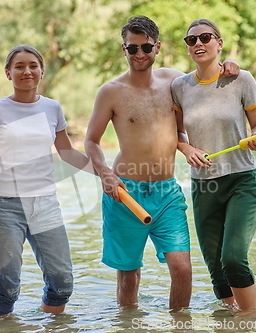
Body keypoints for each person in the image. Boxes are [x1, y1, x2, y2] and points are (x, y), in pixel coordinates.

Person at [84, 15, 240, 311]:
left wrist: (229, 65)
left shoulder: (175, 82)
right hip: (125, 193)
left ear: (157, 47)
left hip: (167, 192)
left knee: (182, 269)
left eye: (146, 47)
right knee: (129, 277)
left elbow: (206, 81)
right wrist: (104, 173)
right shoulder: (110, 91)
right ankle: (128, 327)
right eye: (132, 48)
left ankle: (180, 327)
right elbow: (91, 140)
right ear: (124, 49)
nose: (139, 54)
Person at [0, 45, 92, 316]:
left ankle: (51, 324)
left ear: (41, 72)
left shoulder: (52, 107)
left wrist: (108, 172)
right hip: (5, 205)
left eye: (33, 65)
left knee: (62, 282)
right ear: (8, 73)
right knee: (8, 285)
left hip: (45, 203)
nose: (26, 71)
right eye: (19, 66)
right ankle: (5, 325)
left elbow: (67, 153)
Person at [171, 19, 256, 313]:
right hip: (204, 185)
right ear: (187, 48)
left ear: (219, 43)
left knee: (234, 259)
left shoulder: (241, 79)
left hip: (241, 179)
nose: (198, 43)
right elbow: (175, 134)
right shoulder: (179, 86)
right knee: (217, 270)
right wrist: (186, 148)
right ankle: (230, 321)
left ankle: (251, 322)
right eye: (191, 40)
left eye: (205, 37)